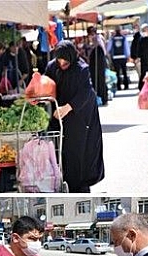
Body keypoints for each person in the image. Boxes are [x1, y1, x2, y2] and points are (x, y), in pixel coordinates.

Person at [44, 40, 105, 193]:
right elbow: (45, 84)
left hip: (80, 116)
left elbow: (86, 92)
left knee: (77, 153)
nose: (62, 63)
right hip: (58, 117)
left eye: (65, 60)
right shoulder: (53, 67)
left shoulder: (81, 69)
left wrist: (68, 107)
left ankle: (79, 188)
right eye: (59, 59)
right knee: (60, 152)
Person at [85, 26, 109, 104]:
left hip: (98, 64)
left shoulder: (97, 40)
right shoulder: (97, 40)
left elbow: (102, 50)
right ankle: (101, 97)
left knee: (100, 81)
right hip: (96, 65)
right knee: (98, 81)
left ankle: (102, 98)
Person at [136, 24, 148, 91]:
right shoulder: (141, 39)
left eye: (145, 30)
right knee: (143, 74)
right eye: (143, 30)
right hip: (144, 60)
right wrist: (138, 58)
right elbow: (139, 49)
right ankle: (142, 88)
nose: (144, 31)